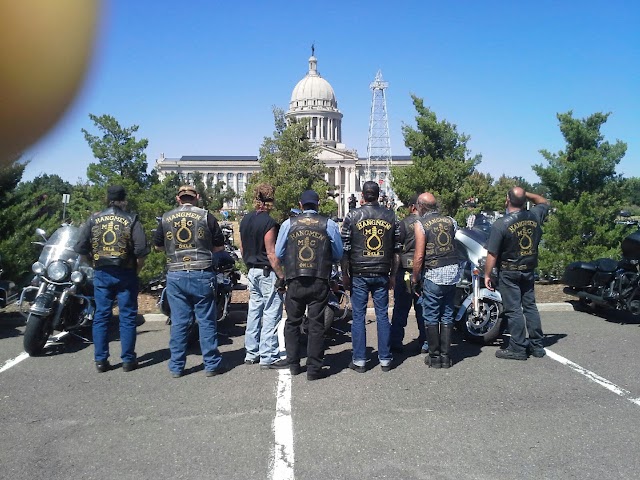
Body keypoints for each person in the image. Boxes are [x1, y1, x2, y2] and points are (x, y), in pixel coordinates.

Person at [74, 185, 149, 373]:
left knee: (101, 315)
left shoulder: (94, 218)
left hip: (102, 271)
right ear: (123, 200)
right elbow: (140, 251)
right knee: (128, 316)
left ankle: (100, 361)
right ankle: (128, 360)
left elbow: (81, 248)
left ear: (108, 199)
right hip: (126, 272)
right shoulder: (131, 219)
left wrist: (92, 264)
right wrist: (136, 270)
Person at [154, 185, 226, 377]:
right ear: (197, 197)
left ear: (178, 198)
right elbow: (219, 246)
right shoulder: (206, 216)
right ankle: (211, 364)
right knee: (206, 320)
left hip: (176, 273)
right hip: (201, 271)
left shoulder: (166, 217)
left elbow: (158, 246)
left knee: (179, 322)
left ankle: (177, 366)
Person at [275, 190, 343, 380]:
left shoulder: (289, 224)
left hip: (295, 278)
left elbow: (279, 253)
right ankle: (313, 369)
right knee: (316, 324)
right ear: (318, 204)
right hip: (319, 278)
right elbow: (338, 253)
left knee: (292, 322)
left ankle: (294, 365)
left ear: (300, 204)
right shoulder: (328, 224)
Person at [484, 187, 550, 360]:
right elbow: (543, 201)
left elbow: (492, 254)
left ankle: (518, 348)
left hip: (509, 271)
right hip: (528, 270)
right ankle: (537, 346)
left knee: (513, 310)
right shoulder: (534, 215)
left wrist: (487, 274)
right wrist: (525, 194)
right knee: (530, 307)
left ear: (507, 199)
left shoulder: (501, 224)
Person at [341, 181, 400, 373]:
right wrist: (393, 274)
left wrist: (345, 275)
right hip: (382, 272)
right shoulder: (391, 216)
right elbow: (397, 251)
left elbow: (345, 250)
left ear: (363, 196)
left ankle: (359, 360)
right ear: (378, 195)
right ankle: (385, 359)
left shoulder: (352, 216)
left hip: (359, 273)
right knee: (382, 315)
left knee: (358, 316)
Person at [239, 183, 287, 369]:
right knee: (271, 313)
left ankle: (251, 352)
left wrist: (249, 265)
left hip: (252, 270)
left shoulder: (245, 220)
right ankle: (268, 355)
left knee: (254, 312)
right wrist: (281, 275)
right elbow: (271, 253)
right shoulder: (268, 222)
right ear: (271, 200)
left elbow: (242, 248)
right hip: (267, 272)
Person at [412, 192, 460, 369]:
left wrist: (415, 277)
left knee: (431, 314)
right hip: (452, 271)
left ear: (421, 206)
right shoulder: (451, 221)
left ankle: (434, 357)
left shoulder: (420, 224)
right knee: (447, 313)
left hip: (433, 273)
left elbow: (419, 256)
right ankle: (446, 357)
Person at [390, 194, 427, 354]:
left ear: (412, 207)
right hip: (423, 271)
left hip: (405, 271)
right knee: (422, 307)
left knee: (401, 307)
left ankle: (396, 342)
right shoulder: (427, 224)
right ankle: (425, 341)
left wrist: (393, 272)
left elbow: (396, 250)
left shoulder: (403, 224)